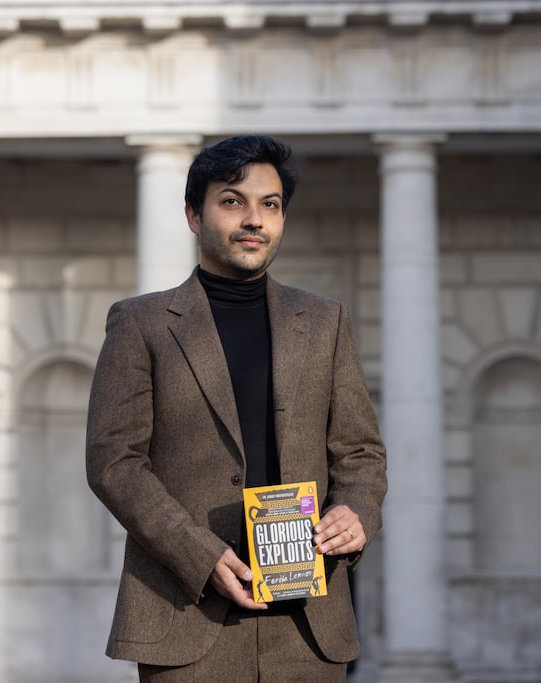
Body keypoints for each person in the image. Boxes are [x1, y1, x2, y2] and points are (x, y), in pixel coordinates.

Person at [86, 135, 387, 682]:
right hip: (186, 615)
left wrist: (358, 511)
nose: (254, 219)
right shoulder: (140, 324)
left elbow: (361, 451)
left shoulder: (325, 323)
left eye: (269, 204)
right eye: (232, 201)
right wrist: (198, 555)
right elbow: (113, 461)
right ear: (193, 216)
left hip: (309, 627)